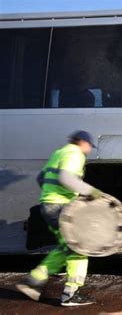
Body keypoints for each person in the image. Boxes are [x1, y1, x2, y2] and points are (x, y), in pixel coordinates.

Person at [16, 130, 103, 306]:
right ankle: (70, 293)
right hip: (61, 207)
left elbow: (41, 178)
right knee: (80, 247)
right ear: (82, 142)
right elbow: (66, 178)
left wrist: (51, 194)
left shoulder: (59, 152)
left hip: (48, 207)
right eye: (89, 146)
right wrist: (92, 192)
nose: (89, 149)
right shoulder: (75, 153)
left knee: (67, 246)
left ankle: (33, 282)